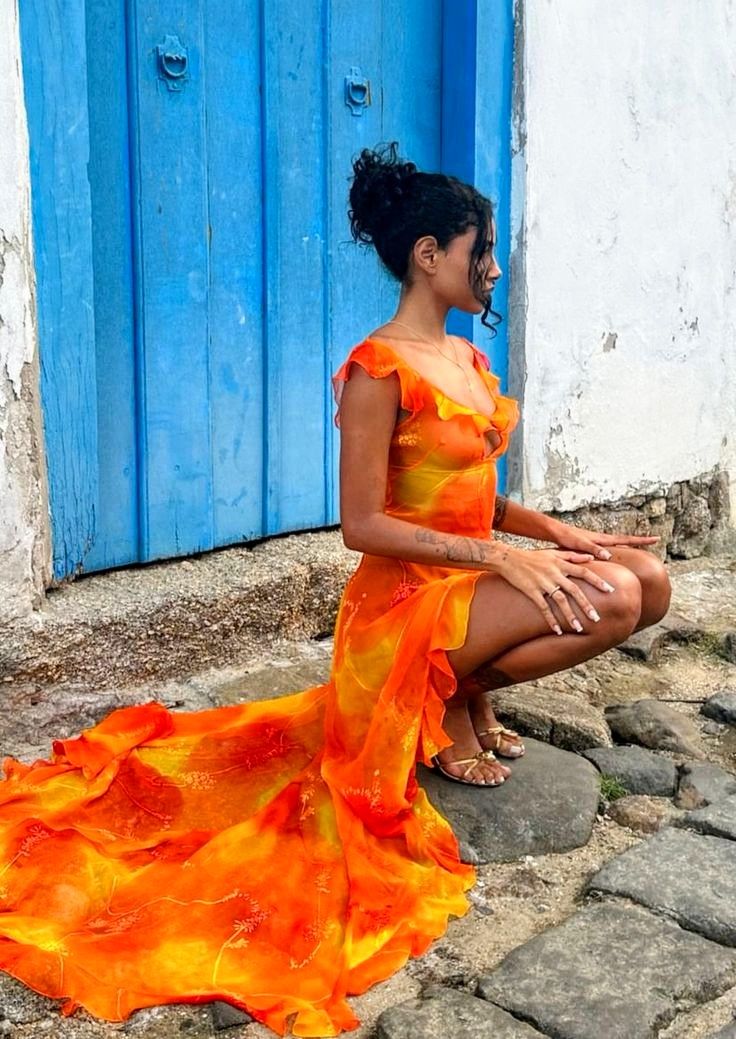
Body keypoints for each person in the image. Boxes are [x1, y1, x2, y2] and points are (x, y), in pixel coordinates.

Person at [0, 142, 671, 1038]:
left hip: (462, 586)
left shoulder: (467, 364)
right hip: (399, 611)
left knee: (651, 581)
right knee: (615, 602)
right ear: (429, 254)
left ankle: (454, 696)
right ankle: (447, 701)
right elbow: (363, 526)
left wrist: (554, 534)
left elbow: (477, 495)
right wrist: (499, 561)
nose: (495, 266)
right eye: (482, 248)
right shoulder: (375, 369)